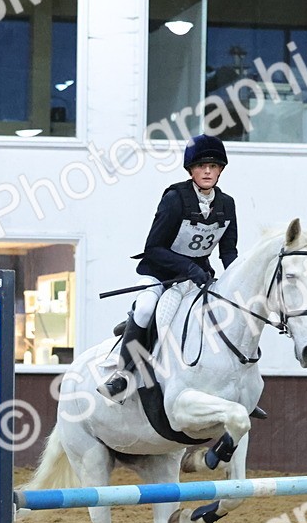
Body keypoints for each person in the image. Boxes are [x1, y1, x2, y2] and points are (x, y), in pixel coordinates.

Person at [98, 134, 239, 401]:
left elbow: (228, 250)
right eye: (201, 166)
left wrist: (233, 282)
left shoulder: (227, 204)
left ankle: (233, 385)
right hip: (160, 275)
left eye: (213, 166)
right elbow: (153, 247)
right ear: (191, 170)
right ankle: (123, 375)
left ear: (221, 169)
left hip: (198, 279)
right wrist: (189, 268)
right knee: (146, 308)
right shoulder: (175, 198)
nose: (207, 171)